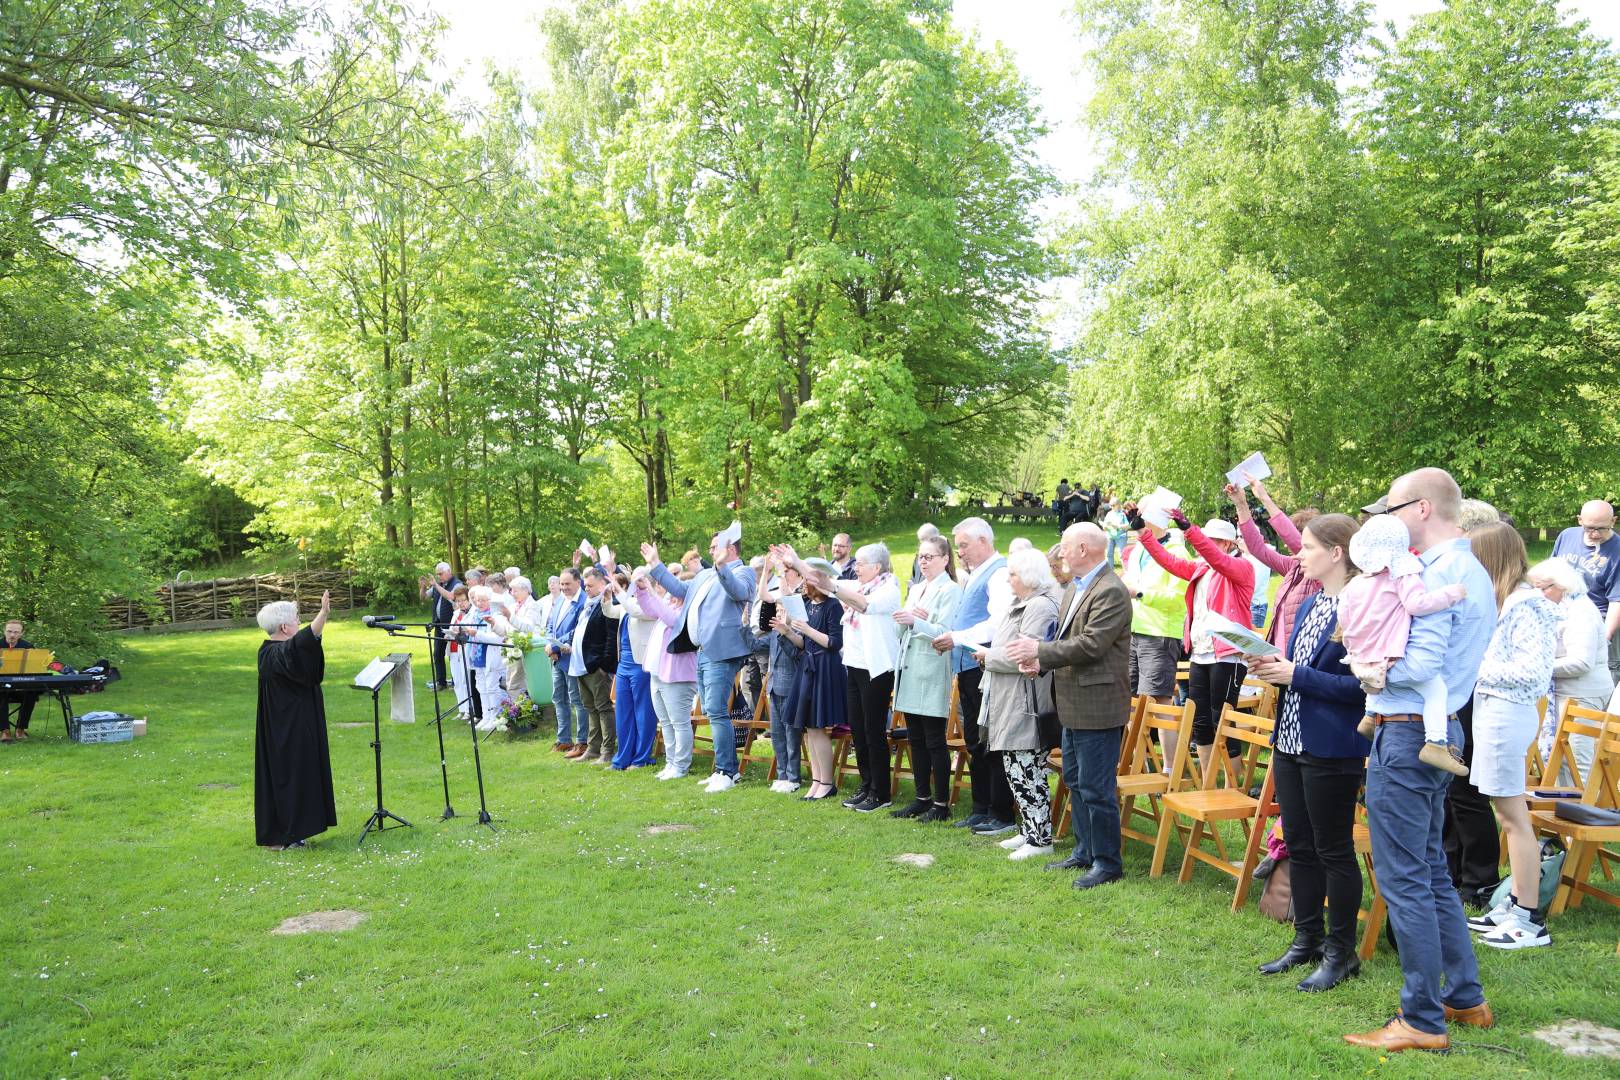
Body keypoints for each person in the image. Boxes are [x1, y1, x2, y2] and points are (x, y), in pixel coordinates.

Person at [1344, 467, 1493, 1054]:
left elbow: (1421, 665)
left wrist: (1365, 668)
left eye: (1392, 509)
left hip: (1409, 735)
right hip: (1428, 731)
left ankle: (1422, 1020)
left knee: (1405, 878)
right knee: (1429, 870)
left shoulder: (1440, 571)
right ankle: (1464, 997)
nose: (1385, 521)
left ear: (1423, 509)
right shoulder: (1459, 569)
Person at [1245, 515, 1370, 992]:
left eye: (1309, 547)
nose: (1299, 554)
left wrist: (1294, 675)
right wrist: (1269, 664)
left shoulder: (1359, 608)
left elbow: (1360, 688)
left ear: (1337, 553)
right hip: (1292, 738)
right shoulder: (1314, 601)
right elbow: (1296, 666)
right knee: (1298, 844)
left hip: (1332, 744)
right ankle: (1306, 940)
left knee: (1333, 849)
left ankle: (1341, 953)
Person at [1006, 523, 1133, 889]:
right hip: (1074, 700)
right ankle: (1084, 850)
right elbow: (1066, 642)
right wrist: (1040, 662)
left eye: (1063, 547)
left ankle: (1108, 862)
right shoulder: (1074, 589)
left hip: (1098, 704)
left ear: (1082, 548)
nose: (1059, 554)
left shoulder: (1110, 590)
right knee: (1075, 779)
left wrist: (1039, 651)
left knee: (1096, 786)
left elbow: (1092, 645)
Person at [1460, 523, 1560, 951]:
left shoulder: (1527, 605)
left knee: (1514, 818)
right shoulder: (1510, 603)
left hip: (1508, 714)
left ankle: (1528, 917)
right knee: (1507, 815)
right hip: (1493, 713)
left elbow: (1533, 672)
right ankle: (1514, 902)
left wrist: (1474, 665)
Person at [1337, 515, 1470, 776]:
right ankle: (1435, 743)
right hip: (1389, 655)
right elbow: (1417, 604)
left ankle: (1369, 716)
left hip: (1362, 655)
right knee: (1435, 690)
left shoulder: (1356, 583)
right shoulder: (1401, 574)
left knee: (1373, 681)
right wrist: (1451, 594)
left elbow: (1343, 615)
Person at [1131, 505, 1256, 781]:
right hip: (1200, 653)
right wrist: (1142, 531)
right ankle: (1208, 783)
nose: (1203, 548)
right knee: (1200, 723)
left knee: (1223, 721)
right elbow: (1168, 561)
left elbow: (1217, 560)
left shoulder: (1240, 567)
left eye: (1210, 542)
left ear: (1225, 544)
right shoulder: (1201, 568)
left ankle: (1231, 786)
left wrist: (1188, 529)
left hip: (1227, 656)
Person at [779, 541, 902, 812]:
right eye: (855, 563)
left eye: (861, 563)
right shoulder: (860, 584)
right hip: (855, 666)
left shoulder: (888, 589)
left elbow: (863, 604)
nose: (856, 568)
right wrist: (796, 562)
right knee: (858, 730)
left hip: (877, 668)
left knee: (873, 731)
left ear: (877, 567)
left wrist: (833, 587)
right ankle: (867, 784)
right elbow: (824, 582)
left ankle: (880, 792)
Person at [645, 526, 758, 793]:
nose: (709, 551)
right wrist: (655, 565)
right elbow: (679, 589)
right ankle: (723, 767)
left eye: (714, 547)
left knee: (717, 710)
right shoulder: (705, 574)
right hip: (703, 650)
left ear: (730, 548)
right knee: (710, 709)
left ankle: (727, 772)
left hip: (724, 650)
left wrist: (721, 568)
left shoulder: (743, 572)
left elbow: (738, 592)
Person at [930, 517, 1018, 834]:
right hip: (968, 669)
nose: (960, 552)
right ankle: (981, 807)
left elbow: (1000, 624)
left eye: (964, 545)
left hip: (985, 668)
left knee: (990, 740)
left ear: (983, 541)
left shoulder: (997, 574)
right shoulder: (977, 574)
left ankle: (1001, 811)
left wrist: (958, 637)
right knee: (974, 741)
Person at [974, 548, 1061, 861]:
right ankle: (1028, 830)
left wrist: (988, 656)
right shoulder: (1020, 603)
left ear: (1027, 576)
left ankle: (1040, 839)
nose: (1008, 578)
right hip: (1011, 695)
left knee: (1027, 768)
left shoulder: (1039, 606)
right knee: (1015, 767)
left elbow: (1026, 653)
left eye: (1012, 573)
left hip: (1028, 700)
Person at [253, 592, 337, 851]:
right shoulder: (275, 653)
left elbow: (301, 649)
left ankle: (290, 833)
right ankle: (288, 834)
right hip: (288, 729)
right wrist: (322, 615)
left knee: (295, 774)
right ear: (284, 627)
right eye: (296, 618)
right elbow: (301, 644)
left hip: (289, 725)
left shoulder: (273, 652)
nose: (299, 622)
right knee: (291, 776)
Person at [890, 534, 963, 822]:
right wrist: (907, 618)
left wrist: (916, 620)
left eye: (929, 556)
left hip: (932, 667)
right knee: (915, 737)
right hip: (910, 668)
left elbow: (945, 631)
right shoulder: (917, 587)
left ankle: (941, 804)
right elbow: (900, 632)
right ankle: (922, 797)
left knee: (934, 739)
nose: (923, 561)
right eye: (920, 556)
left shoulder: (950, 589)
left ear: (945, 559)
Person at [1528, 557, 1613, 776]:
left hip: (1583, 695)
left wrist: (1537, 667)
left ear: (1562, 586)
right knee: (1563, 762)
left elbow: (1581, 662)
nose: (1537, 594)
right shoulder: (1566, 606)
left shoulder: (1580, 612)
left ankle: (1584, 809)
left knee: (1576, 763)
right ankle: (1564, 807)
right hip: (1571, 693)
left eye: (1542, 589)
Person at [1227, 479, 1321, 654]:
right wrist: (1241, 504)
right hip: (1282, 657)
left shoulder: (1320, 575)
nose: (1286, 545)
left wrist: (1264, 498)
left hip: (1301, 661)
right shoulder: (1293, 567)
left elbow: (1295, 542)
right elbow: (1257, 548)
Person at [778, 570, 847, 800]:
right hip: (807, 667)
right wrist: (786, 630)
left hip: (826, 668)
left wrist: (807, 630)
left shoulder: (833, 606)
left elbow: (834, 643)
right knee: (808, 728)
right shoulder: (808, 606)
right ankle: (817, 780)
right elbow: (803, 643)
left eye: (807, 581)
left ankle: (827, 782)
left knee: (818, 727)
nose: (804, 586)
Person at [1119, 518, 1190, 737]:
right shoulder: (1139, 549)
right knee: (1130, 698)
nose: (1134, 519)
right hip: (1134, 631)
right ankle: (1136, 762)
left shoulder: (1178, 553)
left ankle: (1170, 769)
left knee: (1159, 702)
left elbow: (1179, 599)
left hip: (1160, 634)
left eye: (1140, 515)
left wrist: (1140, 593)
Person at [635, 575, 698, 780]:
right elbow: (649, 609)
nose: (671, 593)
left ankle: (681, 764)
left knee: (679, 722)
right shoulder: (668, 606)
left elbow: (671, 619)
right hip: (657, 673)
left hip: (678, 676)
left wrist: (654, 593)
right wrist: (643, 590)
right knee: (666, 722)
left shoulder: (687, 612)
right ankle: (671, 762)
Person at [1553, 499, 1620, 681]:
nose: (1595, 534)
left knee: (1606, 665)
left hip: (1599, 618)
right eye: (1590, 528)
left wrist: (1603, 638)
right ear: (1579, 520)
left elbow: (1617, 601)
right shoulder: (1566, 536)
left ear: (1613, 521)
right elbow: (1551, 573)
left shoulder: (1618, 551)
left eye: (1602, 529)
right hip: (1562, 613)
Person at [605, 569, 659, 769]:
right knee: (623, 712)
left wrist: (618, 587)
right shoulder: (628, 603)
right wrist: (606, 598)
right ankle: (622, 757)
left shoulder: (651, 604)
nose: (634, 586)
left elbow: (634, 610)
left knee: (643, 712)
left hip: (641, 663)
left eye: (638, 582)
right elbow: (611, 611)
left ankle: (642, 757)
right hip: (624, 664)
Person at [761, 564, 807, 791]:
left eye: (782, 612)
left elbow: (795, 654)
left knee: (791, 735)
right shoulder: (772, 634)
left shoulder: (794, 634)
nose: (778, 615)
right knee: (777, 734)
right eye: (777, 612)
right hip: (773, 687)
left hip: (790, 689)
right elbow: (754, 645)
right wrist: (741, 627)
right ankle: (781, 775)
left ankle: (793, 777)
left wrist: (784, 633)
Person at [566, 567, 616, 762]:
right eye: (585, 585)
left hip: (596, 666)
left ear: (602, 584)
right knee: (590, 707)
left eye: (590, 585)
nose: (587, 589)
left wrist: (604, 665)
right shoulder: (586, 605)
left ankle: (607, 751)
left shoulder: (606, 603)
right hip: (580, 664)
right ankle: (593, 748)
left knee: (603, 708)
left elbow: (611, 637)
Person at [545, 569, 587, 752]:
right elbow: (551, 625)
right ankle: (563, 739)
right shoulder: (560, 599)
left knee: (576, 700)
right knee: (558, 698)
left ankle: (582, 740)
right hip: (557, 658)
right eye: (561, 584)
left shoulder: (583, 602)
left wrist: (555, 647)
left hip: (572, 658)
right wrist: (550, 645)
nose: (564, 587)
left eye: (567, 584)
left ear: (578, 582)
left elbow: (578, 630)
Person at [466, 586, 511, 733]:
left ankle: (495, 716)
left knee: (492, 687)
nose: (479, 603)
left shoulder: (495, 615)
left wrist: (476, 633)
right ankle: (486, 716)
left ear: (489, 600)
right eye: (477, 600)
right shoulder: (475, 614)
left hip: (490, 654)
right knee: (481, 687)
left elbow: (496, 638)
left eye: (483, 600)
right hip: (477, 655)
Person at [419, 562, 460, 690]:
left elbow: (451, 596)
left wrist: (436, 585)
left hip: (452, 626)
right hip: (439, 625)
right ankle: (441, 683)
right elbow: (424, 597)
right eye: (437, 575)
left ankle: (456, 682)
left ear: (449, 571)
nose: (439, 577)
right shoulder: (439, 585)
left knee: (454, 655)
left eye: (441, 574)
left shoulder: (457, 584)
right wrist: (422, 587)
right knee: (437, 654)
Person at [0, 618, 42, 742]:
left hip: (21, 686)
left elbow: (34, 669)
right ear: (4, 631)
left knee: (32, 692)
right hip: (2, 686)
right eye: (9, 631)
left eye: (16, 632)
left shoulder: (28, 647)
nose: (12, 635)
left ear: (21, 633)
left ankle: (20, 729)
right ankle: (5, 731)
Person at [444, 586, 474, 721]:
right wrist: (448, 634)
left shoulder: (472, 612)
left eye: (463, 600)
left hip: (465, 648)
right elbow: (452, 628)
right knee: (457, 681)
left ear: (469, 600)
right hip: (454, 649)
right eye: (458, 601)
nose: (461, 603)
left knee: (465, 679)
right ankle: (461, 709)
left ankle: (469, 709)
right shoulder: (456, 613)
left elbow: (469, 631)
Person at [1102, 500, 1129, 566]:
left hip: (1121, 536)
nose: (1112, 507)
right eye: (1110, 505)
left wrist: (1117, 526)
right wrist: (1105, 527)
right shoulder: (1109, 514)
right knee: (1109, 554)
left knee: (1122, 555)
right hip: (1110, 536)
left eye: (1113, 505)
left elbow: (1127, 526)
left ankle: (1126, 572)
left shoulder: (1122, 514)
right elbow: (1105, 525)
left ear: (1118, 504)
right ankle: (1110, 573)